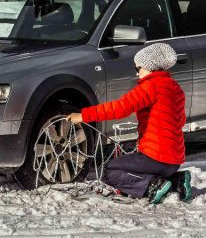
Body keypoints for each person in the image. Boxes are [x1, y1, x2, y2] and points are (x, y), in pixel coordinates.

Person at [67, 43, 192, 204]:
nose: (136, 73)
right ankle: (177, 180)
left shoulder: (150, 86)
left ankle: (152, 185)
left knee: (109, 170)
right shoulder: (175, 88)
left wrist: (84, 115)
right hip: (173, 162)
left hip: (154, 159)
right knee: (134, 164)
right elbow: (180, 120)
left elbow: (120, 108)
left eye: (138, 68)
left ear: (149, 67)